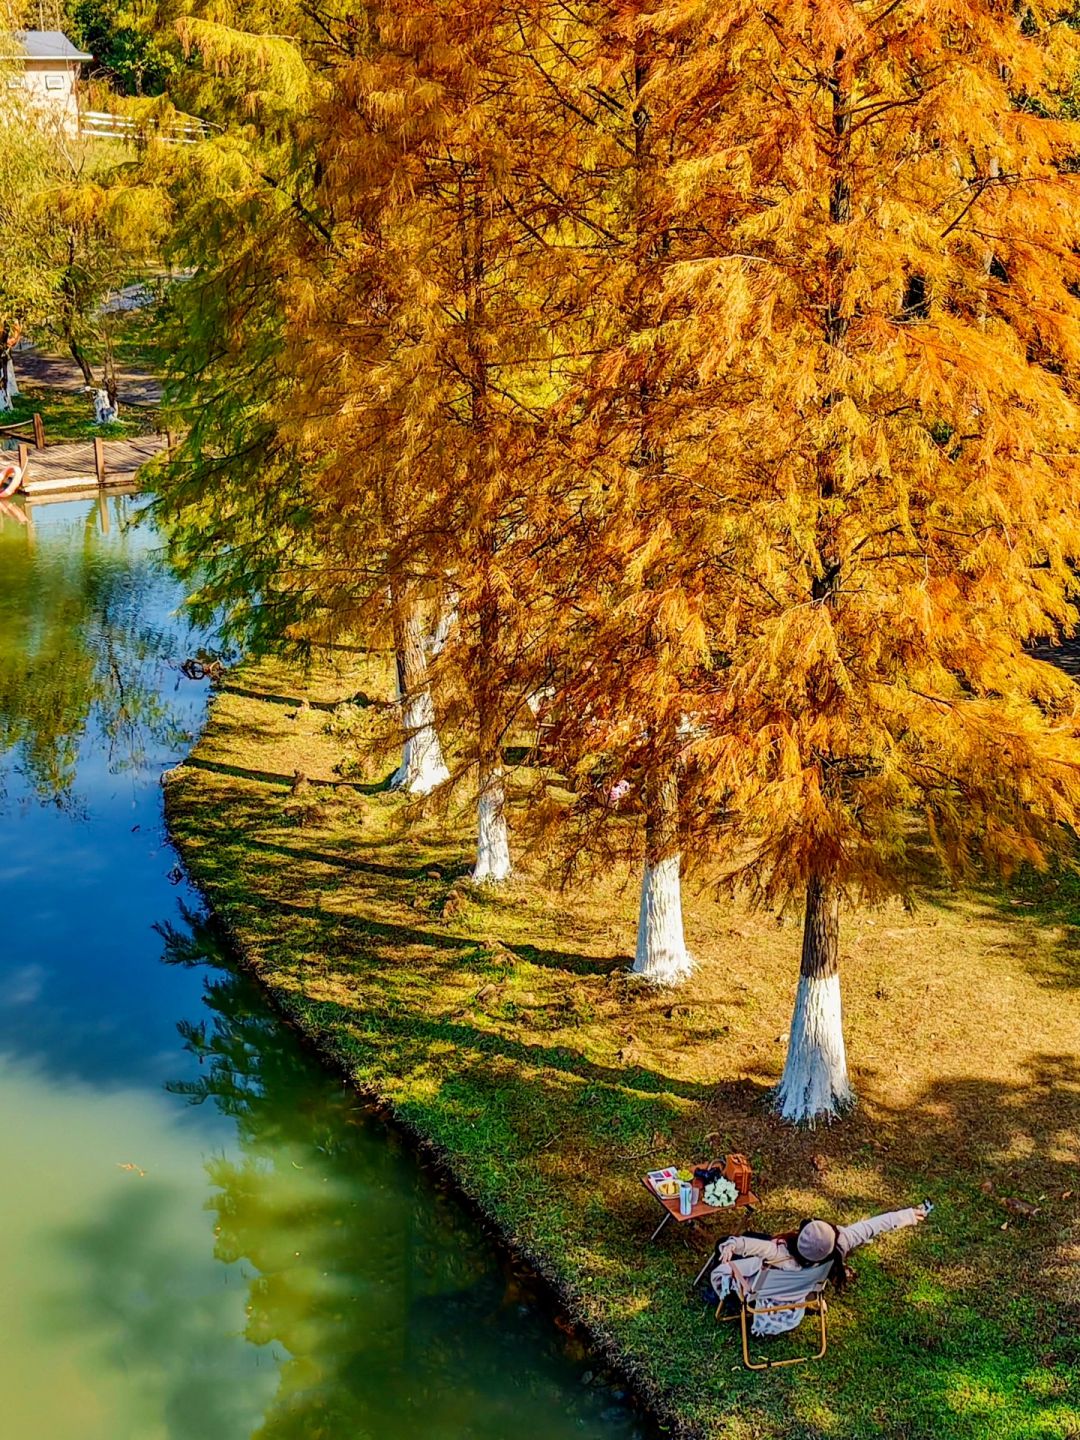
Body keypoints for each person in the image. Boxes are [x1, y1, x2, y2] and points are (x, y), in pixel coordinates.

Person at [710, 1204, 929, 1336]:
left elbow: (747, 1245)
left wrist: (730, 1244)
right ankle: (810, 1299)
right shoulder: (838, 1247)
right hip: (801, 1288)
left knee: (729, 1247)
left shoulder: (779, 1252)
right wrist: (909, 1215)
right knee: (755, 1239)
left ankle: (723, 1299)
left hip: (769, 1293)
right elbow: (873, 1226)